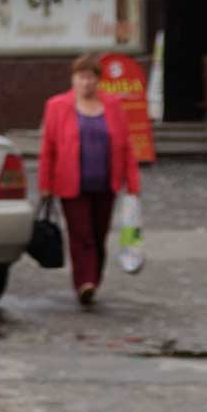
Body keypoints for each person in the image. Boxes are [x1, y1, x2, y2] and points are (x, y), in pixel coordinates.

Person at [37, 53, 142, 307]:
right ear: (73, 79)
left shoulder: (113, 105)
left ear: (98, 80)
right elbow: (48, 148)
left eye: (91, 77)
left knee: (98, 235)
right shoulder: (57, 106)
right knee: (81, 235)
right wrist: (45, 184)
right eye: (81, 77)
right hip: (71, 185)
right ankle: (84, 283)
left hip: (106, 184)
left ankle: (94, 279)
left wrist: (133, 184)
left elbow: (126, 145)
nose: (86, 83)